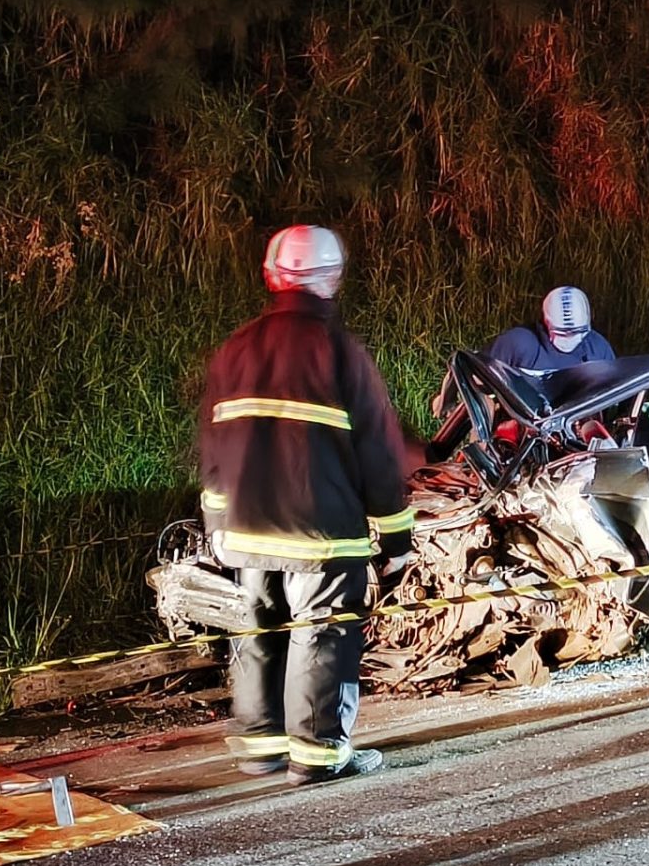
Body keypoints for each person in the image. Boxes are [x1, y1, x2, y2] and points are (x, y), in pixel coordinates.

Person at [199, 224, 415, 784]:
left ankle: (259, 748)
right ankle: (319, 755)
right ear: (333, 277)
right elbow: (378, 454)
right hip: (321, 532)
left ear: (271, 274)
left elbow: (214, 446)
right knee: (323, 631)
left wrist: (218, 521)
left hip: (246, 531)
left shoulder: (236, 348)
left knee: (258, 632)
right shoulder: (340, 353)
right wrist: (395, 539)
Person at [429, 285, 615, 417]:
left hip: (572, 426)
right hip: (518, 423)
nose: (569, 338)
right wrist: (449, 399)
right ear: (547, 322)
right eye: (561, 332)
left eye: (576, 332)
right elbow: (474, 370)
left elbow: (615, 393)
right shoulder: (519, 343)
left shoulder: (598, 350)